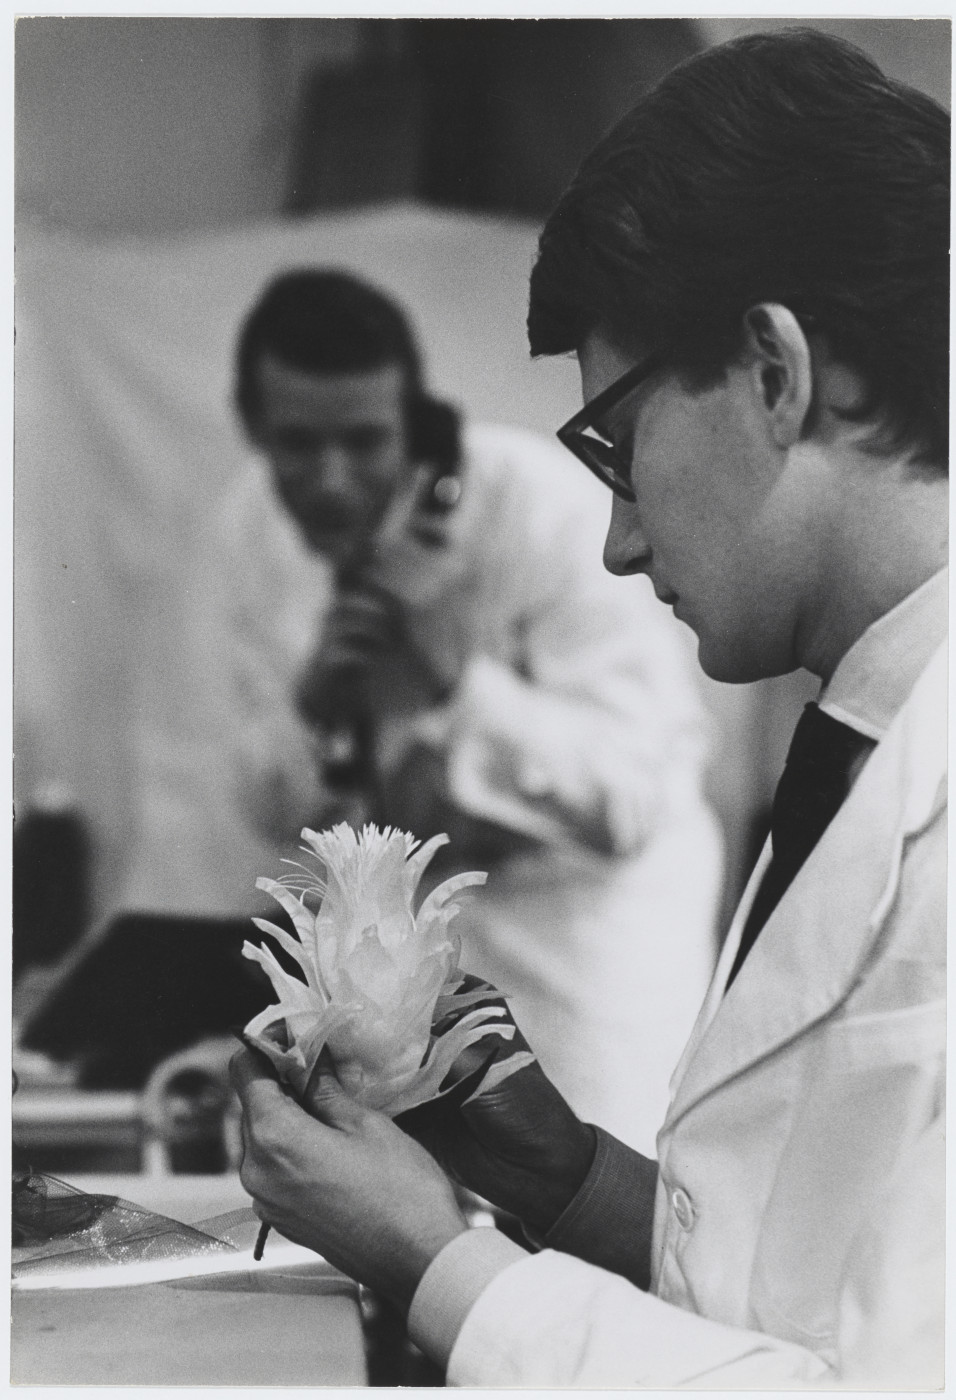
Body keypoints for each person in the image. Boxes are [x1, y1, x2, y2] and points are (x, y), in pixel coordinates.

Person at [230, 30, 947, 1386]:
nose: (618, 542)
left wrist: (441, 1263)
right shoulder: (861, 742)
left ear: (775, 373)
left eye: (617, 451)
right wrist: (564, 1174)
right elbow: (785, 1297)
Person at [211, 269, 722, 1150]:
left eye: (365, 441)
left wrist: (457, 683)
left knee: (603, 1227)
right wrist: (312, 709)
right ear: (252, 427)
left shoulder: (542, 512)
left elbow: (633, 802)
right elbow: (265, 807)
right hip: (407, 979)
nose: (331, 481)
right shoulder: (250, 534)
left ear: (414, 422)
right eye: (296, 444)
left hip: (586, 964)